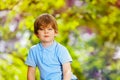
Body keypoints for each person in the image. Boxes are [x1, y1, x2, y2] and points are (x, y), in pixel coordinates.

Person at [25, 13, 77, 80]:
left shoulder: (61, 50)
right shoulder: (34, 50)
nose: (46, 32)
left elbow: (67, 71)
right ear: (36, 34)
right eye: (42, 29)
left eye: (49, 29)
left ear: (55, 32)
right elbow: (31, 73)